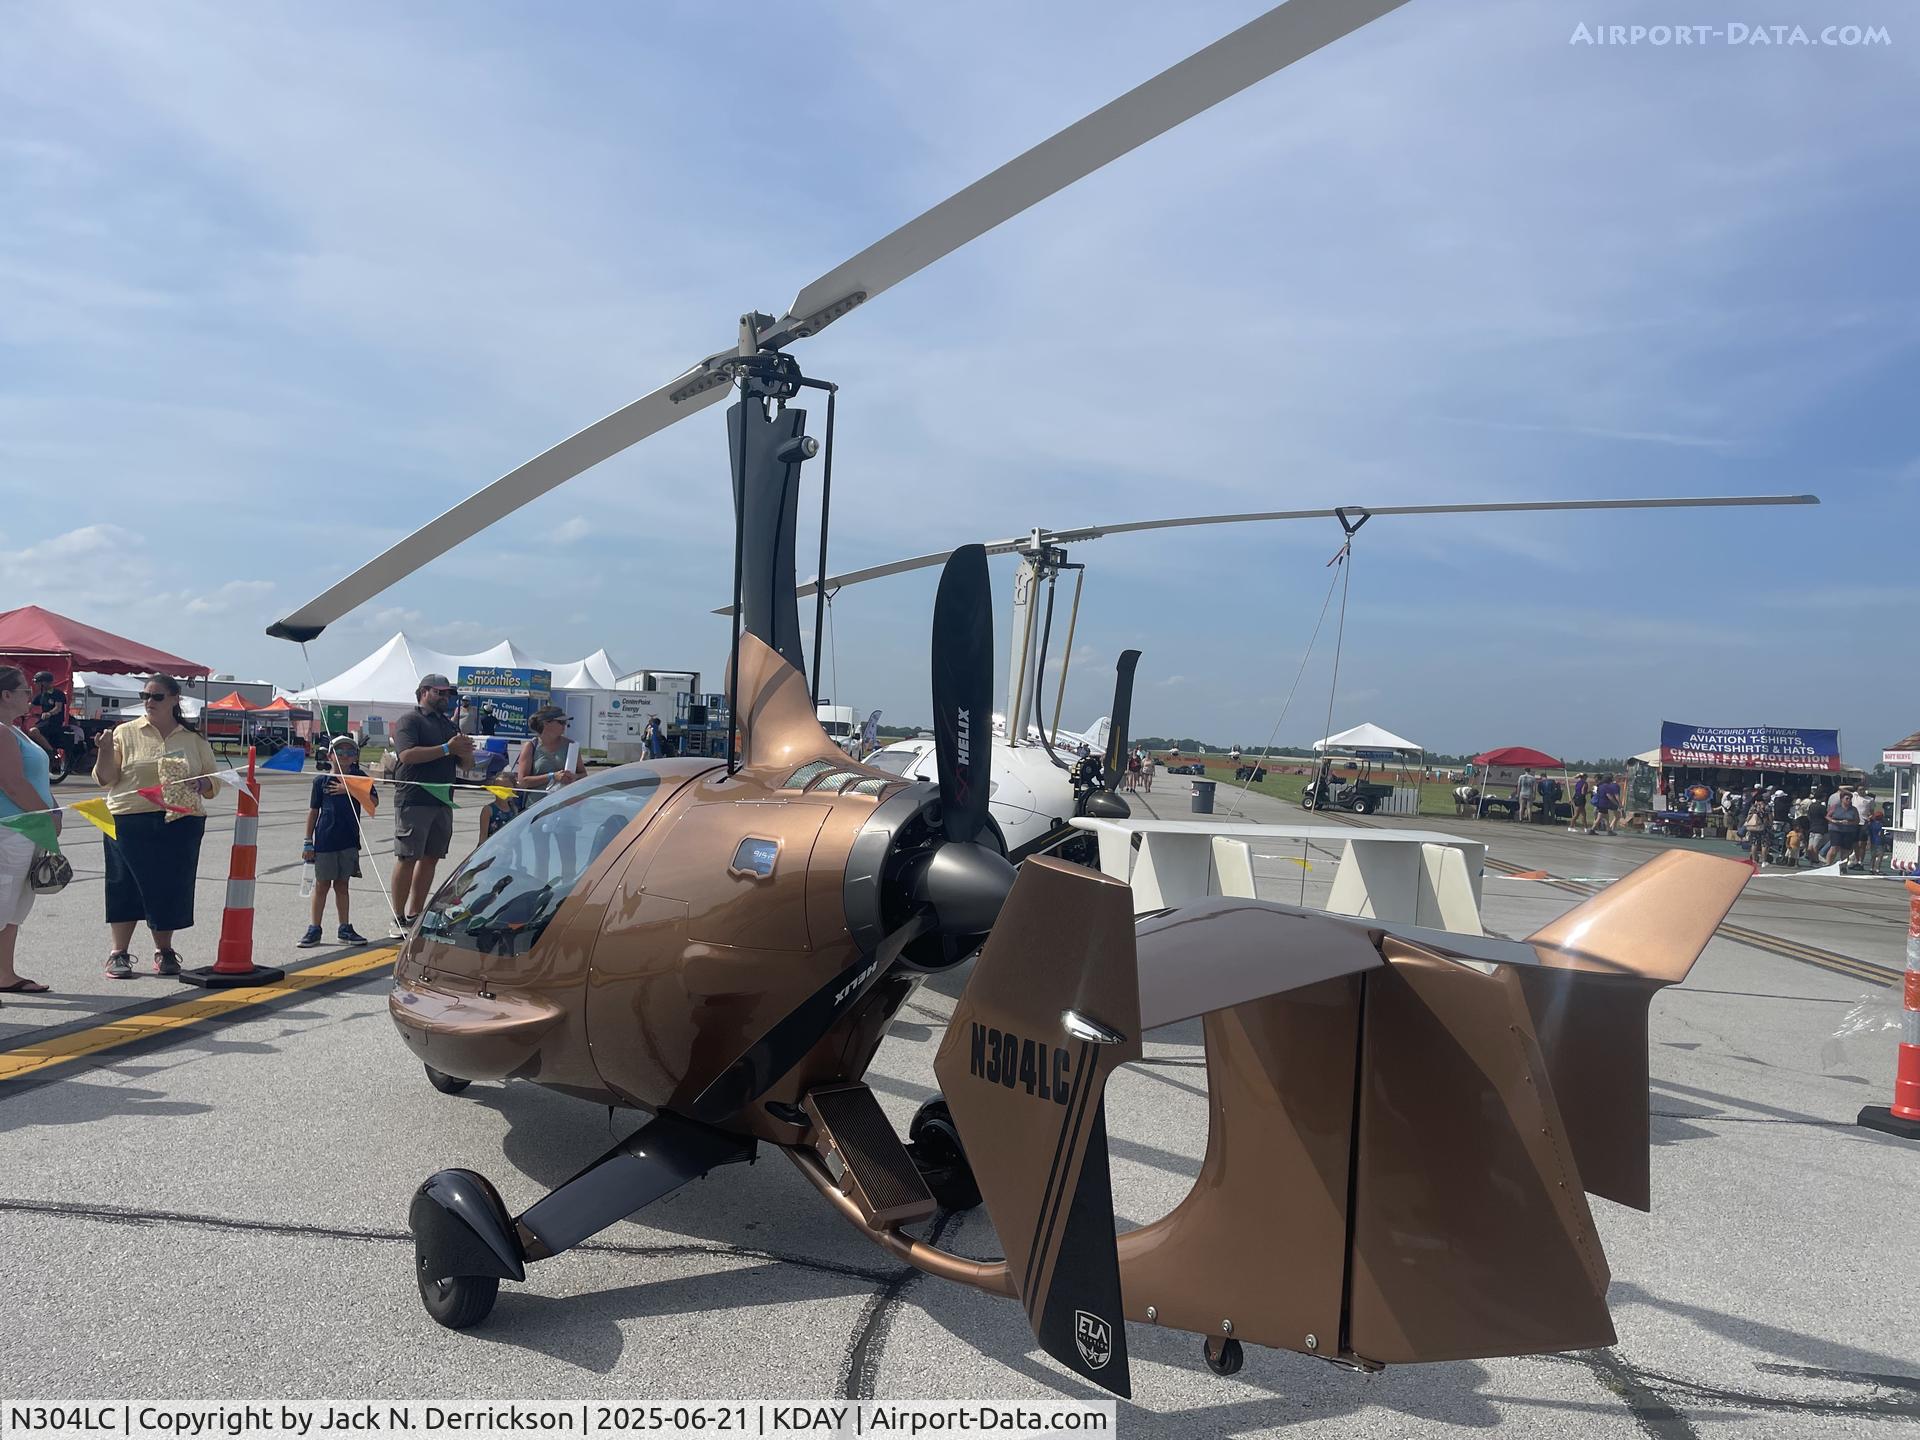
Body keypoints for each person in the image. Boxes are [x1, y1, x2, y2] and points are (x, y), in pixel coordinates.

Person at [93, 674, 221, 978]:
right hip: (128, 818)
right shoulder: (125, 732)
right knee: (124, 884)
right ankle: (118, 954)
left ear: (175, 699)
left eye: (157, 697)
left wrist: (202, 783)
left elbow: (215, 780)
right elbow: (104, 778)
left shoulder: (194, 739)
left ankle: (164, 951)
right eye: (145, 696)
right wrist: (104, 750)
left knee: (169, 887)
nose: (149, 702)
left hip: (180, 820)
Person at [388, 675, 473, 939]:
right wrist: (448, 748)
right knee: (408, 857)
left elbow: (466, 767)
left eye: (448, 694)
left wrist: (465, 750)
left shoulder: (447, 724)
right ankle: (398, 916)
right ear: (424, 692)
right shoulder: (410, 721)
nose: (445, 698)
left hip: (442, 799)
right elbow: (407, 755)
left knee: (431, 857)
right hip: (414, 797)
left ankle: (416, 913)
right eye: (440, 692)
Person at [0, 666, 58, 995]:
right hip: (10, 827)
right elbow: (11, 783)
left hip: (27, 827)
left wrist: (51, 810)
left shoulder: (17, 731)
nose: (29, 695)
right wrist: (46, 813)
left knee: (14, 906)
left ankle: (5, 973)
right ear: (5, 695)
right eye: (23, 690)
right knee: (3, 901)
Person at [299, 738, 374, 947]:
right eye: (339, 751)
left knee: (342, 885)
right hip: (325, 840)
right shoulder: (320, 781)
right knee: (322, 885)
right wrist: (308, 841)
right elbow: (313, 812)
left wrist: (350, 789)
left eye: (350, 752)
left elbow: (373, 802)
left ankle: (344, 927)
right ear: (330, 755)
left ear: (356, 757)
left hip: (348, 840)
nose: (344, 756)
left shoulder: (359, 778)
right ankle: (315, 927)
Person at [27, 671, 69, 760]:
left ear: (44, 683)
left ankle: (51, 751)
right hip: (43, 722)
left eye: (37, 683)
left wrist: (49, 713)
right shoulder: (41, 695)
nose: (35, 685)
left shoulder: (57, 693)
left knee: (33, 731)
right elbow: (30, 706)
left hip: (54, 722)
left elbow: (58, 708)